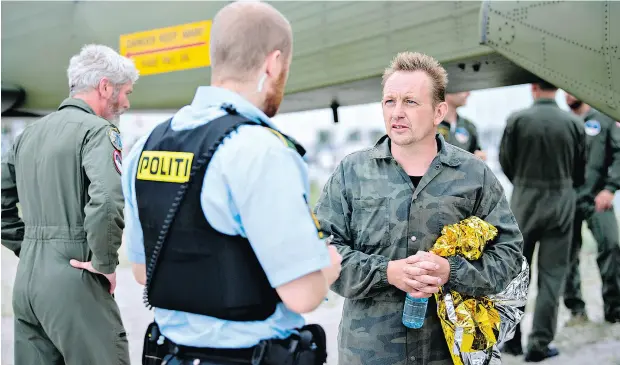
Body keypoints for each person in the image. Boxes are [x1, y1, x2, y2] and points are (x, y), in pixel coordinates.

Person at [122, 2, 341, 365]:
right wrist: (329, 264)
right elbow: (302, 295)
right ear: (273, 64)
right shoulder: (261, 150)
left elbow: (144, 272)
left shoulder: (147, 145)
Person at [314, 51, 524, 365]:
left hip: (447, 352)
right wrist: (387, 273)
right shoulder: (351, 173)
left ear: (439, 111)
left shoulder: (473, 175)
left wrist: (452, 272)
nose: (397, 112)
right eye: (390, 101)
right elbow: (321, 252)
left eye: (410, 102)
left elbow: (509, 255)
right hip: (370, 354)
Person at [1, 44, 137, 364]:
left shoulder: (28, 135)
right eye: (125, 92)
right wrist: (104, 263)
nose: (127, 102)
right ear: (105, 87)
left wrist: (32, 248)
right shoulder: (98, 132)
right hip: (75, 278)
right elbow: (105, 201)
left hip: (27, 284)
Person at [499, 81, 586, 361]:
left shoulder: (517, 120)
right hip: (561, 204)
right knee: (552, 278)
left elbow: (505, 161)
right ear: (558, 89)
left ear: (533, 88)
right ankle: (539, 345)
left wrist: (524, 184)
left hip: (524, 204)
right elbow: (580, 169)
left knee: (517, 277)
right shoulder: (573, 123)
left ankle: (511, 341)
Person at [563, 93, 620, 325]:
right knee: (567, 256)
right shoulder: (563, 122)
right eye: (563, 92)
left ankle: (614, 309)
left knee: (612, 245)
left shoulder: (604, 120)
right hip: (567, 201)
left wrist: (610, 188)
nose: (567, 95)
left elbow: (618, 155)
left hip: (598, 198)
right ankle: (576, 309)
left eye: (570, 90)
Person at [438, 91, 487, 160]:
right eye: (463, 89)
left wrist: (479, 158)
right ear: (449, 90)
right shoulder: (429, 125)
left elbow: (477, 154)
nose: (468, 94)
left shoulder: (469, 126)